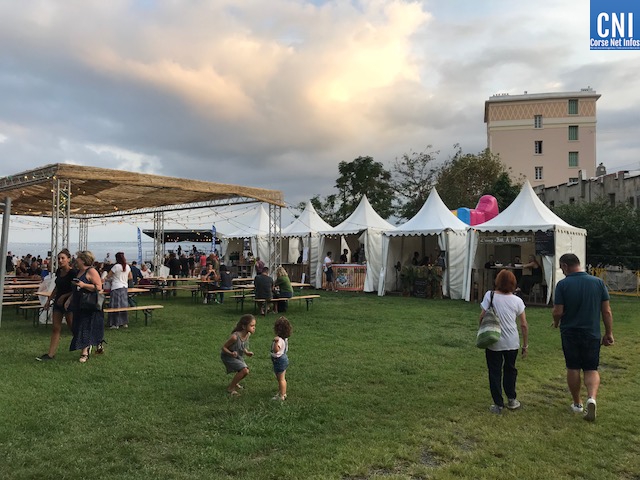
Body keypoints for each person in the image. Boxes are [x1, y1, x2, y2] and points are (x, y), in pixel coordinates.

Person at [552, 253, 614, 422]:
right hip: (591, 333)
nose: (562, 271)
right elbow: (606, 311)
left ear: (565, 266)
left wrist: (556, 322)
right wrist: (608, 333)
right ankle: (591, 398)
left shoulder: (563, 284)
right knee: (591, 368)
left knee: (573, 367)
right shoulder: (598, 283)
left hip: (570, 332)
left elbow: (557, 311)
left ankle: (577, 403)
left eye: (561, 268)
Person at [479, 269, 529, 414]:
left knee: (494, 371)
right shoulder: (517, 301)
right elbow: (523, 324)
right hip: (512, 341)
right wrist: (525, 345)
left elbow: (482, 316)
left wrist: (482, 331)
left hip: (494, 340)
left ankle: (498, 404)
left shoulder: (490, 295)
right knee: (510, 370)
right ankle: (512, 399)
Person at [36, 249, 77, 361]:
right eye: (59, 258)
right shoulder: (59, 271)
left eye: (63, 258)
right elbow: (57, 287)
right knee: (55, 328)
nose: (60, 260)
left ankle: (85, 346)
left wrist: (65, 297)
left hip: (69, 303)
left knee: (72, 327)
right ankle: (51, 354)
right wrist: (48, 300)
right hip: (58, 302)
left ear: (68, 259)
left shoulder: (73, 273)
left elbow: (75, 289)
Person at [68, 251, 104, 363]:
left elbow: (99, 287)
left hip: (88, 303)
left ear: (83, 260)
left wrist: (84, 285)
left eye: (78, 258)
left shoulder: (91, 271)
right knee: (77, 326)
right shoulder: (79, 272)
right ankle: (97, 342)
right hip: (78, 302)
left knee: (85, 326)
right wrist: (69, 300)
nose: (76, 260)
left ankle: (85, 352)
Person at [220, 314, 256, 396]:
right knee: (244, 370)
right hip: (227, 356)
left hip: (237, 356)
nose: (254, 328)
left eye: (254, 326)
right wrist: (231, 353)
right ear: (244, 326)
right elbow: (223, 347)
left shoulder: (247, 335)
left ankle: (235, 383)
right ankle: (230, 388)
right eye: (251, 326)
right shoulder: (235, 337)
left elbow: (242, 346)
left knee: (246, 372)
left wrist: (247, 352)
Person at [107, 252, 132, 329]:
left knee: (115, 305)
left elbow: (108, 276)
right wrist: (124, 278)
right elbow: (130, 277)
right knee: (123, 305)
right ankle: (124, 322)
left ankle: (115, 323)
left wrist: (114, 278)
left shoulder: (116, 266)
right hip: (124, 287)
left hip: (116, 287)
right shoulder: (127, 266)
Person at [271, 316, 292, 401]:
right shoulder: (285, 339)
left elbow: (276, 350)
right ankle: (282, 391)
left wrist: (276, 343)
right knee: (281, 378)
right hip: (283, 358)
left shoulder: (279, 340)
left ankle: (282, 395)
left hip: (279, 360)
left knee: (281, 379)